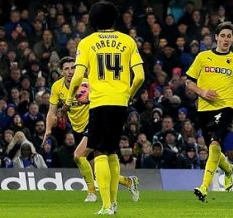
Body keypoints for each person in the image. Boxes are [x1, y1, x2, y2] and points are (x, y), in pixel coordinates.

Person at [63, 1, 145, 215]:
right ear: (114, 19)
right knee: (111, 152)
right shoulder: (127, 41)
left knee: (98, 152)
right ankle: (114, 203)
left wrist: (69, 98)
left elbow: (79, 75)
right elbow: (141, 76)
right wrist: (128, 94)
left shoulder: (87, 43)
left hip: (99, 102)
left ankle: (106, 205)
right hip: (120, 102)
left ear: (93, 20)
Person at [186, 21, 233, 202]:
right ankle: (229, 169)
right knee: (213, 148)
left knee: (214, 143)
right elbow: (188, 82)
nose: (226, 39)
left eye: (229, 36)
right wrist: (202, 92)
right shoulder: (203, 57)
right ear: (216, 38)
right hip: (204, 108)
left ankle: (204, 187)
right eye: (223, 36)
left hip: (226, 106)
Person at [45, 56, 140, 203]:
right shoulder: (57, 87)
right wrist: (48, 130)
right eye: (67, 69)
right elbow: (51, 111)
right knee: (95, 168)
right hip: (77, 128)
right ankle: (128, 182)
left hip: (95, 124)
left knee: (78, 156)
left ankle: (91, 193)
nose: (71, 72)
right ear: (60, 71)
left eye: (73, 68)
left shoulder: (88, 83)